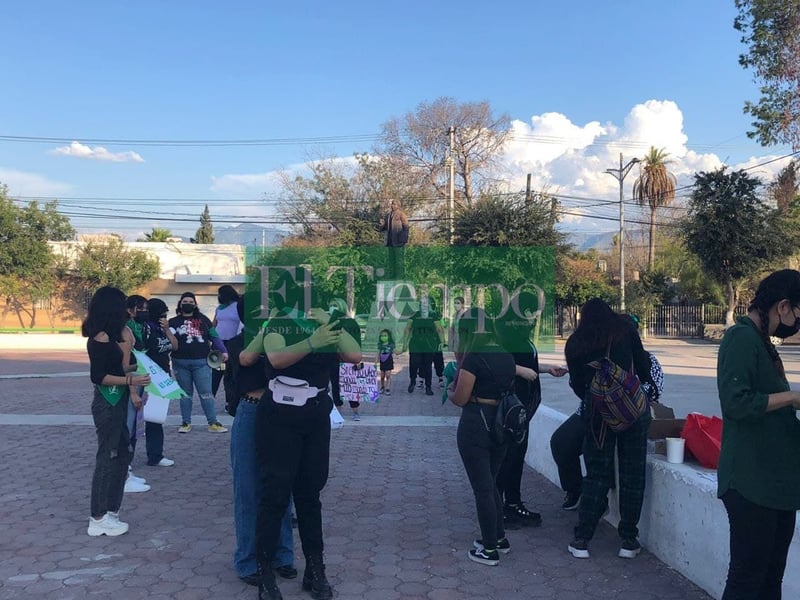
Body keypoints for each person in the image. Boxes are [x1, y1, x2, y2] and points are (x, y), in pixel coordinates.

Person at [254, 290, 361, 600]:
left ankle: (316, 570)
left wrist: (331, 326)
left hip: (314, 417)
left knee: (310, 494)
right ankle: (265, 574)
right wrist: (313, 341)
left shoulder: (328, 326)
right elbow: (276, 358)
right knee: (275, 495)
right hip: (278, 419)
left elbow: (354, 356)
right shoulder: (279, 323)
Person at [717, 269, 800, 598]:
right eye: (798, 314)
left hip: (776, 484)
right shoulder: (741, 339)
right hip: (751, 483)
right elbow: (737, 402)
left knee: (770, 581)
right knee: (747, 580)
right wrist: (793, 397)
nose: (797, 324)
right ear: (782, 307)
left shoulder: (763, 343)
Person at [563, 298, 655, 560]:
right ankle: (628, 540)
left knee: (597, 473)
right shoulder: (625, 330)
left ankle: (582, 540)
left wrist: (596, 398)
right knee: (633, 473)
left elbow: (577, 383)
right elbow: (644, 366)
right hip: (632, 410)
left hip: (597, 412)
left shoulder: (576, 343)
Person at [446, 308, 539, 566]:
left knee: (483, 489)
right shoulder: (504, 355)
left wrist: (450, 389)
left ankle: (489, 550)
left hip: (477, 424)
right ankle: (499, 538)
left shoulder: (474, 358)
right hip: (501, 425)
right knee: (492, 482)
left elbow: (461, 398)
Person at [550, 313, 661, 513]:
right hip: (592, 412)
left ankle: (601, 501)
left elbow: (654, 389)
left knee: (607, 457)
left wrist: (623, 398)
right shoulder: (598, 351)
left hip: (629, 416)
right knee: (561, 441)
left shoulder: (648, 359)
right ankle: (576, 490)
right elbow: (580, 386)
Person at [233, 300, 297, 588]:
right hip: (250, 411)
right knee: (248, 489)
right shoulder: (240, 340)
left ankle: (283, 555)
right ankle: (248, 559)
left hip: (282, 414)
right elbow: (246, 361)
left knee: (281, 486)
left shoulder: (290, 338)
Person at [495, 291, 568, 528]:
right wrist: (519, 371)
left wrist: (547, 369)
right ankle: (503, 508)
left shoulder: (521, 334)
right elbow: (495, 360)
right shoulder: (504, 332)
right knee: (508, 457)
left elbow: (527, 363)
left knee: (517, 457)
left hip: (526, 407)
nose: (534, 319)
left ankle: (513, 503)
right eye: (530, 313)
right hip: (512, 408)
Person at [83, 286, 150, 536]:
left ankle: (112, 510)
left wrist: (141, 366)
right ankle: (98, 517)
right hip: (106, 404)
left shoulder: (113, 337)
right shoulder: (99, 338)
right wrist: (131, 382)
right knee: (107, 457)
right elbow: (99, 376)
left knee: (122, 453)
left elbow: (121, 367)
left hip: (119, 401)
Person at [169, 291, 229, 433]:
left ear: (195, 304)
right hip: (180, 362)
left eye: (191, 302)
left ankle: (213, 422)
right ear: (180, 304)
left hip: (201, 362)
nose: (188, 304)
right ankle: (185, 422)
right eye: (185, 302)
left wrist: (223, 350)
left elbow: (214, 336)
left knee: (206, 393)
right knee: (185, 394)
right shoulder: (173, 322)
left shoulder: (204, 320)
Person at [141, 297, 178, 467]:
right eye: (161, 313)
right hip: (147, 375)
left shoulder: (163, 329)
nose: (164, 316)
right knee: (138, 418)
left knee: (156, 417)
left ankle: (155, 455)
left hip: (163, 376)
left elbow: (175, 346)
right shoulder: (147, 328)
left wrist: (168, 331)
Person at [122, 295, 152, 493]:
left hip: (136, 376)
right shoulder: (124, 330)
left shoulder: (132, 326)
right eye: (141, 308)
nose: (144, 312)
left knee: (131, 426)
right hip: (128, 382)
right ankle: (122, 473)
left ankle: (126, 468)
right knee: (125, 427)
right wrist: (133, 392)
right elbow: (123, 367)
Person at [326, 298, 364, 420]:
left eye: (335, 305)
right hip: (332, 358)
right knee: (335, 386)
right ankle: (338, 411)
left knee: (350, 385)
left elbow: (357, 342)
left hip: (348, 359)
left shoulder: (350, 323)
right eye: (331, 305)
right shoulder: (328, 322)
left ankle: (355, 411)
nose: (332, 308)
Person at [401, 297, 444, 396]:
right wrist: (405, 343)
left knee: (427, 365)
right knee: (414, 364)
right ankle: (412, 381)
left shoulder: (433, 316)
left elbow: (439, 329)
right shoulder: (415, 315)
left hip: (429, 344)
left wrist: (442, 341)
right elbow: (407, 329)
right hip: (415, 344)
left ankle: (428, 387)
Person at [213, 284, 243, 403]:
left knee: (229, 373)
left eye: (220, 293)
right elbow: (214, 324)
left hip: (232, 344)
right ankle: (210, 399)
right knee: (216, 372)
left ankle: (229, 402)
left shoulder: (238, 306)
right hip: (219, 344)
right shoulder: (219, 308)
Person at [379, 199, 409, 279]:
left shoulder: (401, 214)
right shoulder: (388, 215)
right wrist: (381, 225)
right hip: (390, 242)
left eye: (394, 204)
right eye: (392, 204)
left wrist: (403, 240)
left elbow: (406, 227)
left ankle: (400, 277)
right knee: (391, 260)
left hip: (398, 242)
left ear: (398, 206)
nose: (392, 206)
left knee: (399, 261)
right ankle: (392, 276)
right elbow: (384, 227)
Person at [377, 328, 395, 395]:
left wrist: (402, 350)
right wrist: (376, 362)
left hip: (389, 360)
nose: (383, 337)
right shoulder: (380, 345)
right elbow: (378, 353)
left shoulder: (391, 344)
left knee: (388, 375)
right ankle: (382, 387)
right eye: (382, 336)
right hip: (382, 361)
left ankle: (388, 388)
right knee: (382, 376)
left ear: (388, 336)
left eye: (385, 335)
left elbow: (395, 351)